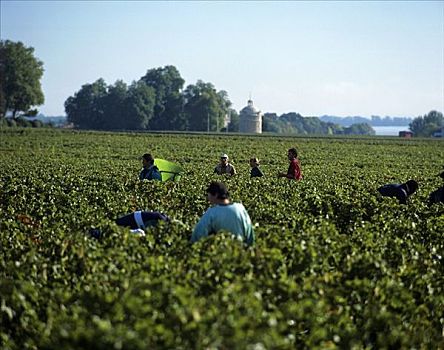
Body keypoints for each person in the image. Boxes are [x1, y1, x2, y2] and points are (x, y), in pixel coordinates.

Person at [191, 181, 255, 246]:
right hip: (240, 250)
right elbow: (249, 233)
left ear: (216, 195)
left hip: (220, 253)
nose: (208, 197)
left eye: (209, 194)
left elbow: (198, 234)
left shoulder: (212, 212)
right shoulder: (240, 208)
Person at [89, 211, 170, 238]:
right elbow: (148, 229)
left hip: (135, 217)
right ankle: (95, 232)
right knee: (115, 228)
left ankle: (97, 232)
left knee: (115, 225)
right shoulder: (161, 220)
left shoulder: (161, 216)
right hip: (135, 219)